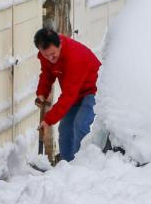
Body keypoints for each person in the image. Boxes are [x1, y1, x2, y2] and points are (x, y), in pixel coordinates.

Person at [34, 27, 101, 163]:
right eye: (46, 55)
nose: (50, 58)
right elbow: (47, 75)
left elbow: (68, 96)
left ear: (60, 44)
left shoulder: (74, 56)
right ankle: (67, 167)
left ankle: (82, 166)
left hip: (94, 89)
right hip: (76, 92)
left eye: (53, 54)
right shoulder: (47, 55)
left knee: (80, 125)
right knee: (65, 130)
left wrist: (48, 120)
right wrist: (41, 93)